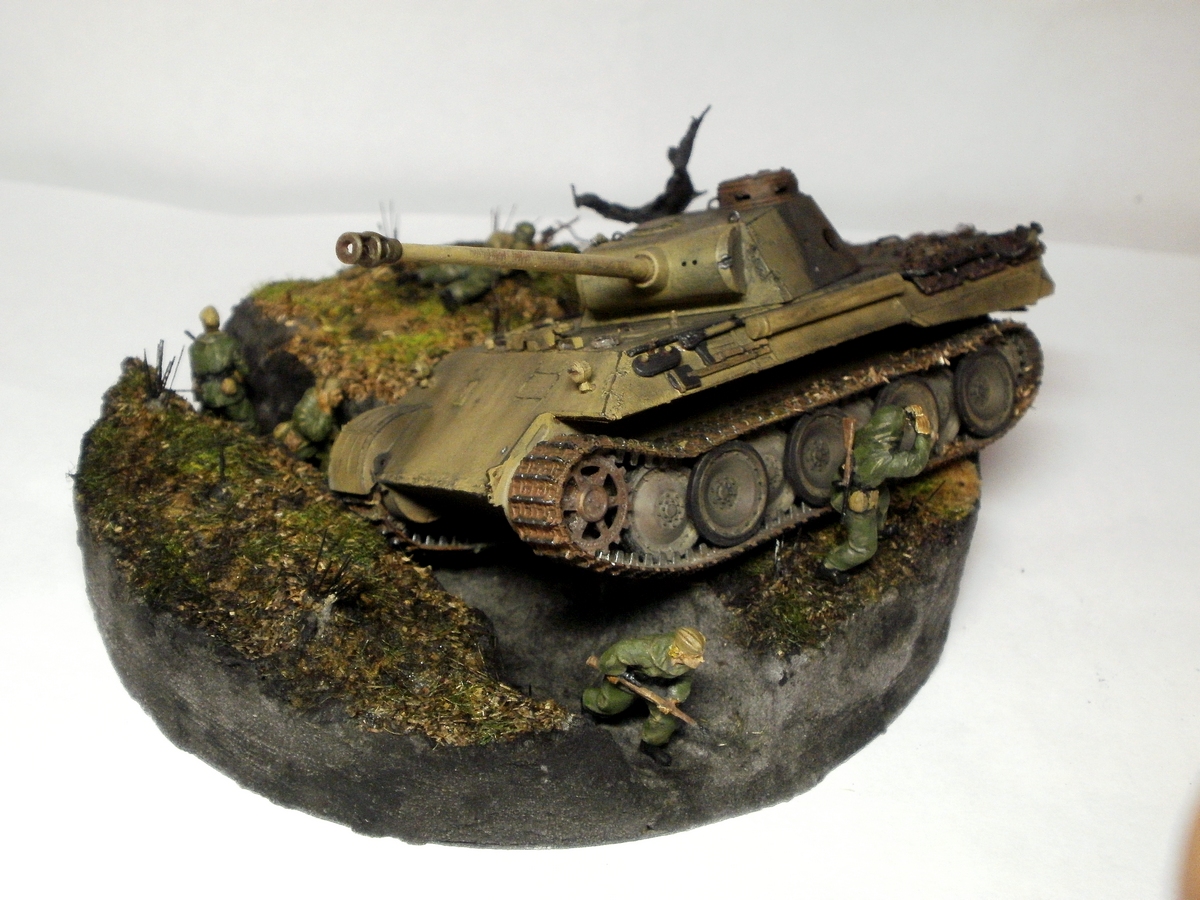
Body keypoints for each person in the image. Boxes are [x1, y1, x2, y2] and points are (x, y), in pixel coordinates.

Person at [818, 404, 934, 584]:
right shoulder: (881, 459)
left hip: (861, 485)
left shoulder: (865, 435)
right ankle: (830, 565)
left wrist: (909, 415)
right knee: (863, 548)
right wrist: (923, 437)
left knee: (883, 499)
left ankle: (878, 529)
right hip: (857, 498)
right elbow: (914, 464)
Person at [582, 627, 706, 765]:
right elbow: (618, 652)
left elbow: (685, 679)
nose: (701, 660)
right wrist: (614, 672)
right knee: (610, 703)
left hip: (660, 685)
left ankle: (650, 744)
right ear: (680, 653)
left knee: (665, 720)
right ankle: (589, 707)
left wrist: (673, 699)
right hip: (630, 678)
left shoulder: (686, 665)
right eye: (696, 657)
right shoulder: (645, 649)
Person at [417, 222, 536, 311]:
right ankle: (424, 276)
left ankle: (450, 292)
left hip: (489, 266)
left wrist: (521, 248)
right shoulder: (502, 237)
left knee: (466, 274)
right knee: (459, 271)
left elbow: (531, 269)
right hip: (484, 261)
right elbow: (493, 248)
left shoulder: (527, 248)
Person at [188, 306, 257, 429]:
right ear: (218, 320)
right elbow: (244, 370)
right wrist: (236, 378)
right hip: (229, 393)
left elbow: (195, 375)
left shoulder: (194, 347)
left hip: (207, 396)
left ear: (203, 323)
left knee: (209, 425)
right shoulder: (230, 342)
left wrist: (199, 395)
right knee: (248, 422)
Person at [273, 377, 344, 468]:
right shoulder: (303, 412)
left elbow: (331, 423)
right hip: (301, 448)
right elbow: (318, 435)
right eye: (337, 395)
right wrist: (326, 410)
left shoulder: (323, 404)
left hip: (317, 441)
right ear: (324, 395)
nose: (341, 398)